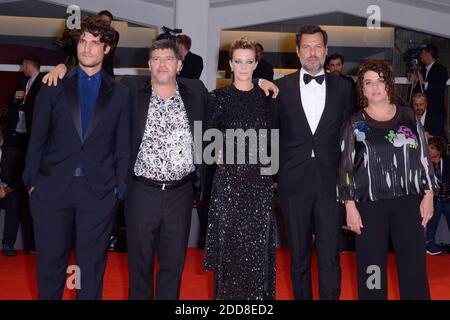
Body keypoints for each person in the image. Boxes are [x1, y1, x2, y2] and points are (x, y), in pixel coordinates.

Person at [22, 16, 131, 300]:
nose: (87, 48)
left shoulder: (120, 94)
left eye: (95, 43)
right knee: (50, 266)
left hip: (97, 192)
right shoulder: (53, 85)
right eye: (83, 41)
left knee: (90, 269)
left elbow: (122, 148)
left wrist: (118, 189)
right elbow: (37, 140)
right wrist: (32, 182)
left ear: (106, 49)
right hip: (50, 190)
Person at [338, 60, 437, 300]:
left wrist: (429, 195)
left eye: (380, 81)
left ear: (389, 85)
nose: (374, 88)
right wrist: (350, 207)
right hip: (370, 206)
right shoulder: (354, 122)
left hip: (407, 202)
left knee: (413, 268)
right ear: (362, 88)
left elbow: (423, 156)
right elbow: (345, 167)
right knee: (373, 270)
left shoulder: (408, 116)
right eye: (368, 82)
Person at [273, 24, 355, 300]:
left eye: (317, 46)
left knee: (330, 255)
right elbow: (272, 132)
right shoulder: (279, 88)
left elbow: (350, 136)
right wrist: (272, 175)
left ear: (326, 50)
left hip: (330, 182)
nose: (312, 52)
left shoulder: (344, 88)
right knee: (298, 256)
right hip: (293, 183)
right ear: (297, 52)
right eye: (306, 47)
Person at [204, 37, 276, 300]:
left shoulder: (267, 98)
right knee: (230, 253)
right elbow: (206, 145)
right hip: (229, 186)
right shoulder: (218, 98)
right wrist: (216, 153)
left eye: (249, 61)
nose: (243, 67)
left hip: (259, 187)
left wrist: (270, 178)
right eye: (238, 61)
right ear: (230, 64)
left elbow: (273, 141)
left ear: (256, 64)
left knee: (258, 255)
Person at [0, 129, 26, 256]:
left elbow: (22, 179)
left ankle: (8, 244)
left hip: (9, 190)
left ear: (1, 142)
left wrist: (6, 189)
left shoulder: (14, 154)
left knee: (14, 200)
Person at [425, 136, 450, 255]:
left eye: (432, 148)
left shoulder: (448, 162)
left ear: (439, 151)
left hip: (448, 197)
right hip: (434, 199)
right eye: (428, 147)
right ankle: (429, 242)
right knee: (435, 209)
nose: (429, 150)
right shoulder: (424, 165)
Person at [414, 44, 449, 120]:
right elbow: (417, 91)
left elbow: (440, 88)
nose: (420, 56)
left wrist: (423, 82)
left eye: (422, 53)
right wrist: (414, 82)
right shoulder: (422, 70)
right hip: (422, 112)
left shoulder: (441, 69)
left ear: (428, 55)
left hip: (435, 112)